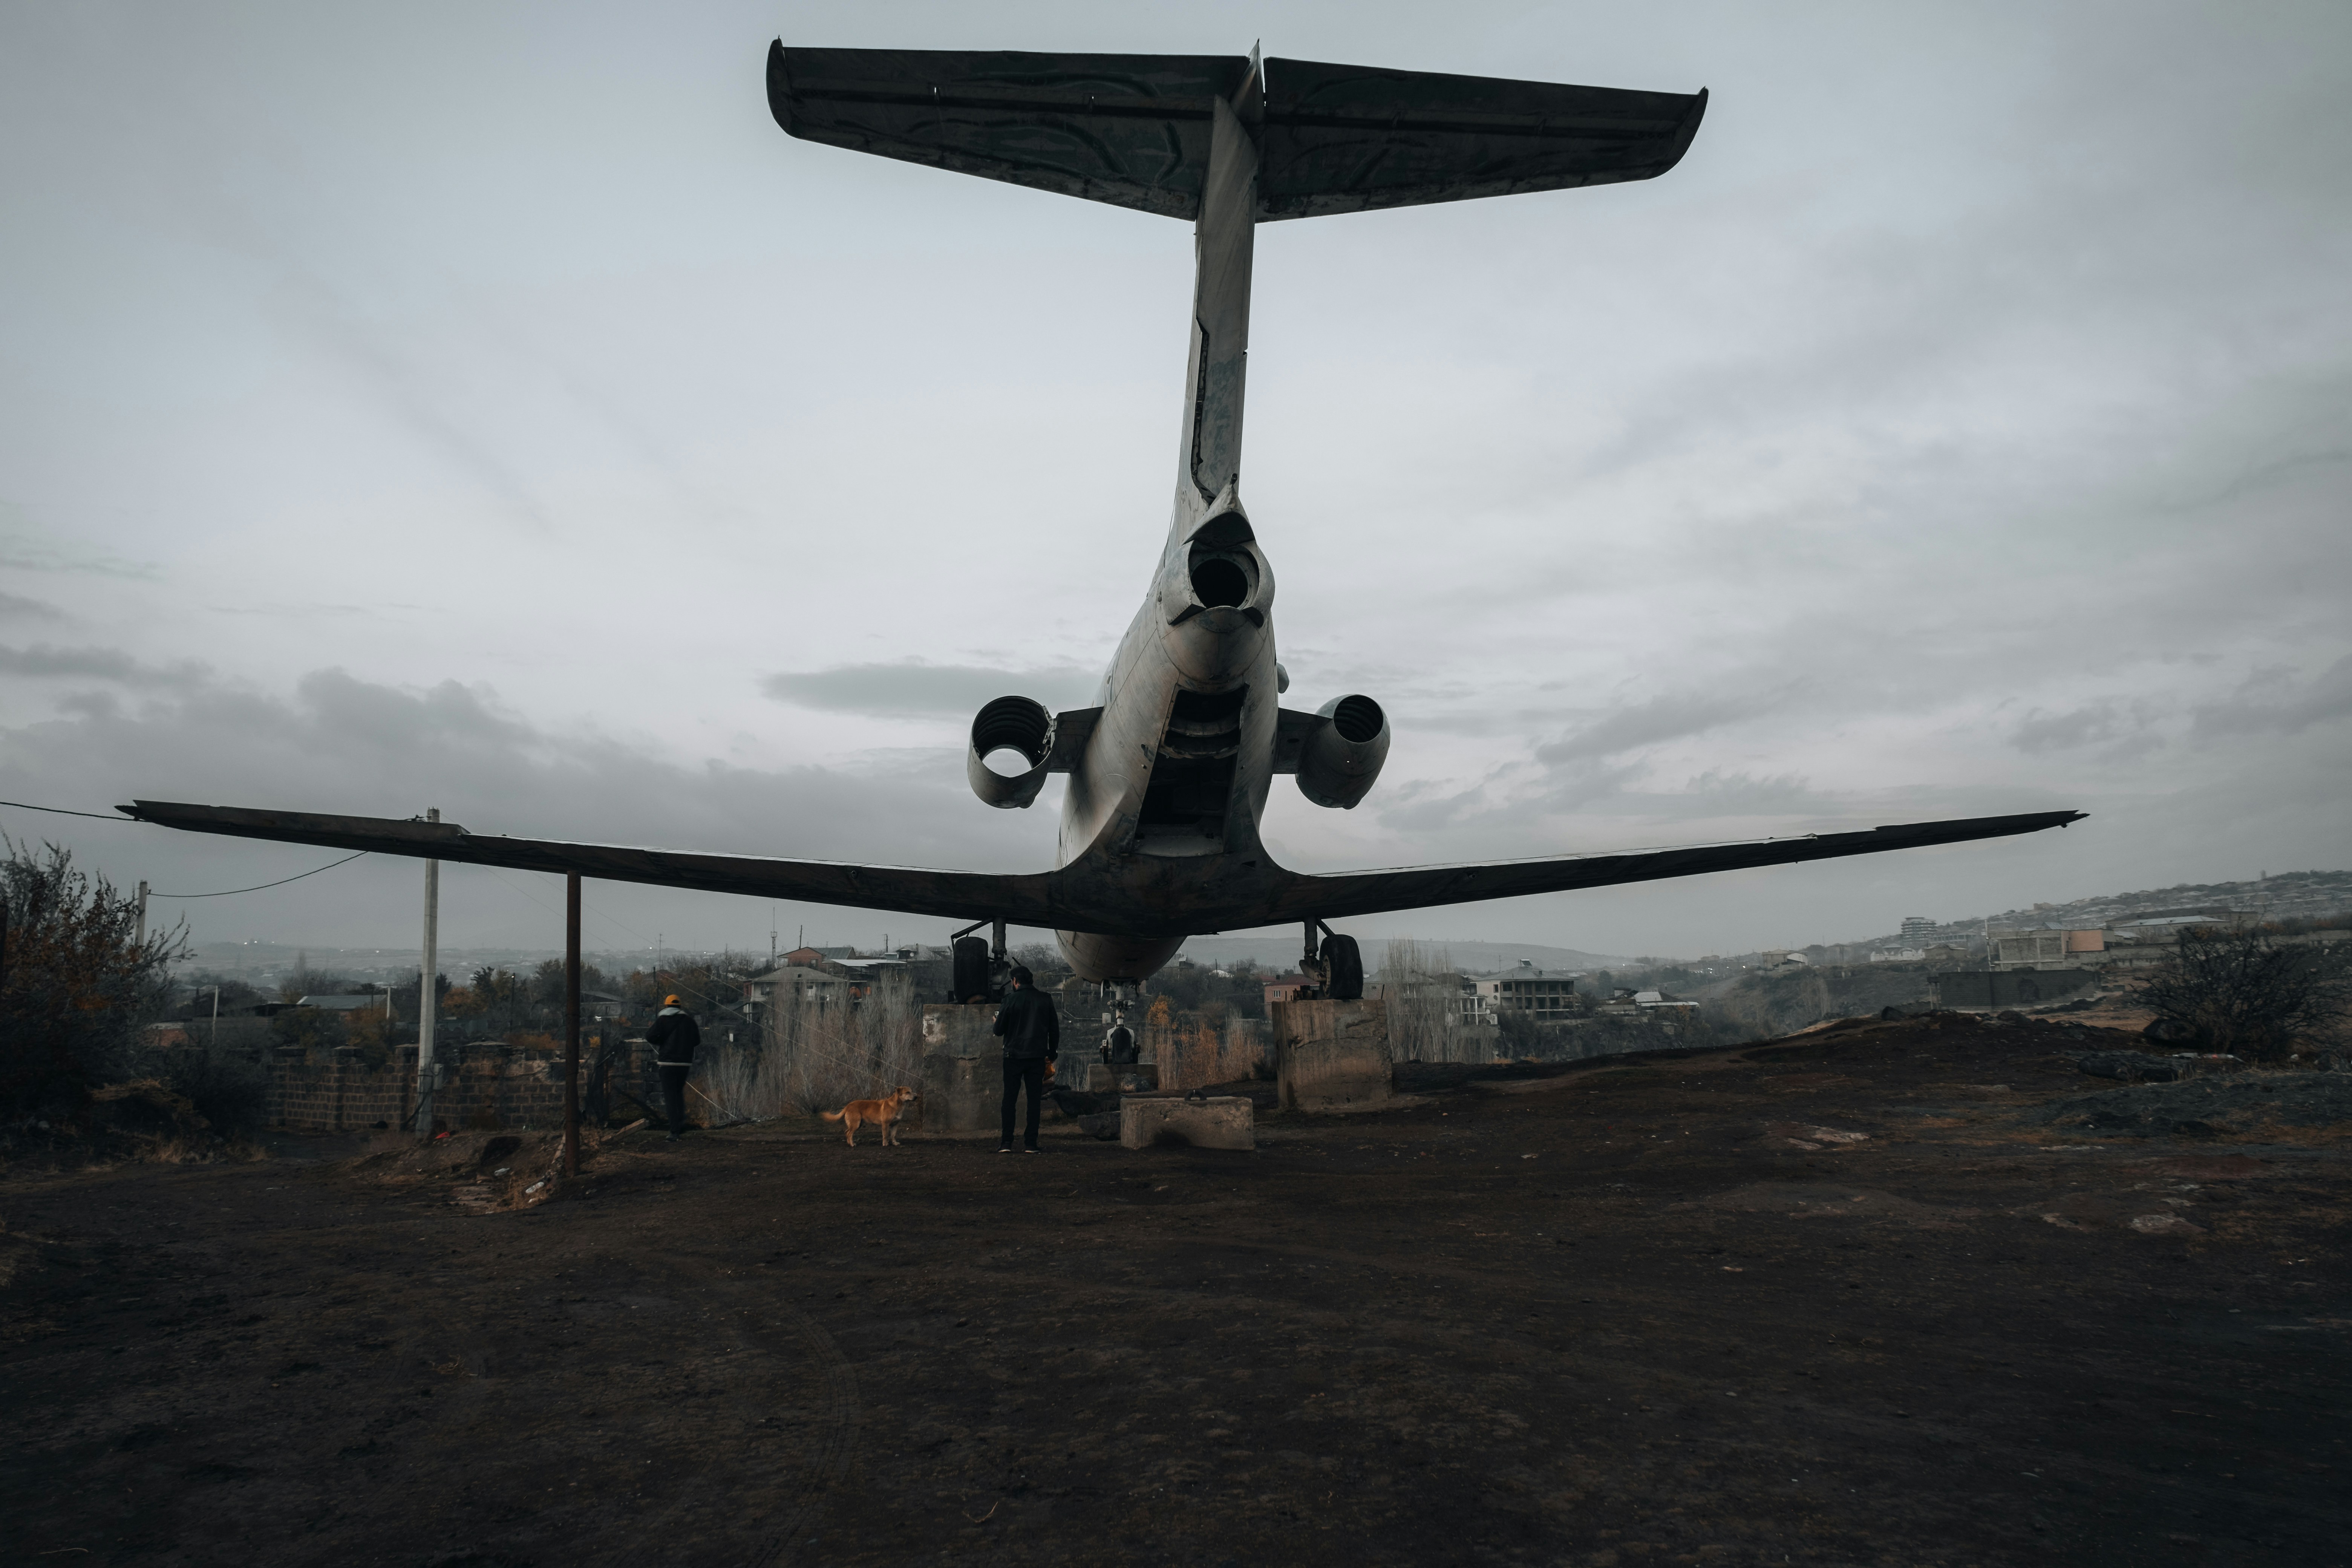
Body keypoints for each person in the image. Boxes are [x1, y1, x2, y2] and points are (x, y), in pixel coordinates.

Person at [991, 965, 1059, 1153]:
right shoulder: (1045, 999)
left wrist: (997, 1022)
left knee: (1009, 1100)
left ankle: (1006, 1143)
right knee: (1034, 1101)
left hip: (1013, 1057)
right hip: (1037, 1057)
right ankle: (1031, 1143)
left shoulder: (1010, 1000)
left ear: (1015, 982)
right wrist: (1051, 1053)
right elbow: (1054, 1030)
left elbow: (998, 1032)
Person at [646, 993, 701, 1142]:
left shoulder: (662, 1020)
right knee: (678, 1093)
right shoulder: (689, 1021)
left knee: (670, 1096)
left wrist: (662, 1042)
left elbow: (650, 1036)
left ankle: (674, 1131)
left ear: (667, 1006)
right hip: (684, 1063)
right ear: (680, 1006)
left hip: (667, 1064)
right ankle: (681, 1124)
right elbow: (697, 1041)